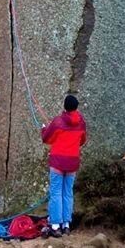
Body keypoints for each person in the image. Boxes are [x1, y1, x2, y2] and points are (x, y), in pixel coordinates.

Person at [41, 94, 87, 238]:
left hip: (58, 162)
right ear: (76, 107)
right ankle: (66, 224)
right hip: (72, 162)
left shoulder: (58, 122)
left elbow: (46, 138)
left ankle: (55, 225)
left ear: (65, 106)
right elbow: (82, 140)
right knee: (67, 193)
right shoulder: (81, 123)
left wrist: (44, 129)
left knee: (56, 193)